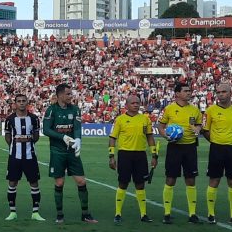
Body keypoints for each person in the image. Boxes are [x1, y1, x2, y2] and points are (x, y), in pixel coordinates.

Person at [42, 83, 96, 224]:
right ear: (60, 95)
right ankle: (60, 214)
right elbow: (46, 130)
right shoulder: (51, 110)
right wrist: (63, 137)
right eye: (68, 94)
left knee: (81, 181)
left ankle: (85, 214)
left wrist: (78, 140)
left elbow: (77, 127)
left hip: (71, 152)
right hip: (57, 151)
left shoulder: (75, 109)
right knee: (59, 183)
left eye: (71, 93)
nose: (70, 96)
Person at [201, 82, 232, 225]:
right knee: (214, 180)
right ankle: (210, 214)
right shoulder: (211, 110)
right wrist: (215, 141)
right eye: (218, 92)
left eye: (224, 92)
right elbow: (205, 130)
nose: (220, 95)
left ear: (230, 93)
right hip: (217, 149)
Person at [156, 81, 203, 224]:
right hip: (174, 147)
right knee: (170, 179)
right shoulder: (169, 109)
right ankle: (167, 213)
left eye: (189, 91)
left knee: (191, 179)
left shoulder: (195, 110)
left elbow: (199, 125)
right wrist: (166, 136)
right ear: (177, 93)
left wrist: (197, 129)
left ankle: (192, 214)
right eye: (185, 91)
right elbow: (160, 126)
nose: (189, 93)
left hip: (190, 147)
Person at [108, 94, 158, 224]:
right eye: (133, 103)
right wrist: (111, 156)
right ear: (126, 105)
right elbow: (112, 138)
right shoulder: (120, 119)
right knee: (123, 183)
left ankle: (143, 214)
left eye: (137, 103)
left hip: (140, 155)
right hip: (125, 154)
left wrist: (154, 154)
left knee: (140, 184)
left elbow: (150, 137)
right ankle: (118, 213)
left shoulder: (145, 119)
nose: (136, 105)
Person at [4, 94, 44, 221]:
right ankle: (12, 212)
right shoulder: (10, 119)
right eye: (19, 101)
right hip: (15, 156)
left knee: (34, 182)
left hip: (30, 156)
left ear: (27, 102)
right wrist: (14, 145)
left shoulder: (34, 118)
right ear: (15, 103)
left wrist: (27, 141)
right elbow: (8, 136)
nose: (21, 103)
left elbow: (36, 136)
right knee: (12, 182)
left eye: (23, 101)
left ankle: (35, 213)